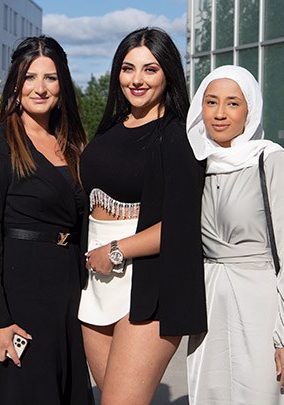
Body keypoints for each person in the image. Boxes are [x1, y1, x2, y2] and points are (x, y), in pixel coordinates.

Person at [78, 27, 207, 404]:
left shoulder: (178, 136)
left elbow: (183, 225)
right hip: (94, 285)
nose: (136, 80)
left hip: (147, 285)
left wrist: (116, 250)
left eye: (149, 70)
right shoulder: (111, 129)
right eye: (127, 68)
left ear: (168, 73)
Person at [0, 36, 94, 405]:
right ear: (15, 84)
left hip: (66, 295)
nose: (40, 88)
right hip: (19, 295)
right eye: (29, 77)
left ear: (63, 84)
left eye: (50, 78)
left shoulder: (72, 143)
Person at [185, 65, 284, 404]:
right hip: (208, 306)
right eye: (211, 102)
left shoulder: (270, 159)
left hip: (261, 309)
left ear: (250, 109)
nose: (219, 114)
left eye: (233, 103)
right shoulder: (194, 162)